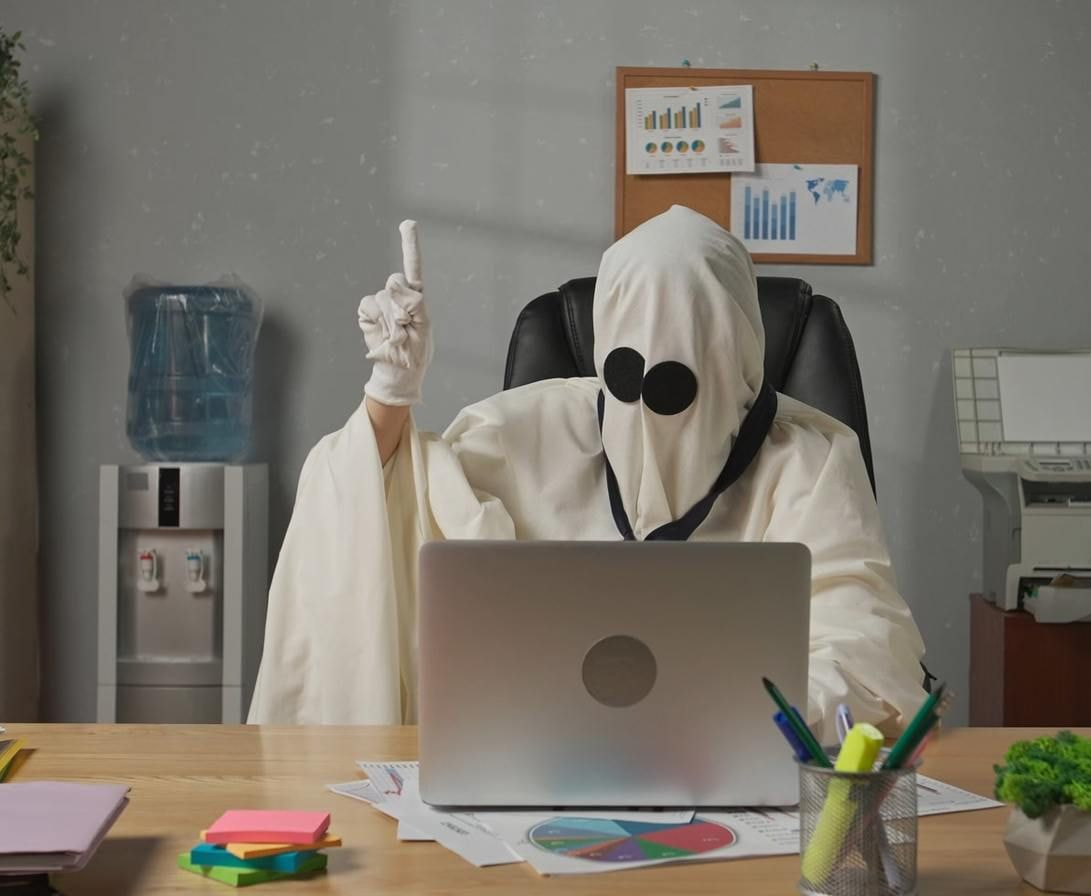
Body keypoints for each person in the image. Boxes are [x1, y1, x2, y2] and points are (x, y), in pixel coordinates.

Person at [248, 206, 926, 740]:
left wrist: (736, 719)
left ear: (738, 370)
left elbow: (868, 652)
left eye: (674, 387)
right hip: (536, 767)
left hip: (744, 778)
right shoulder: (526, 430)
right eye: (626, 376)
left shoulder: (809, 461)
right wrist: (389, 395)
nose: (644, 413)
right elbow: (386, 509)